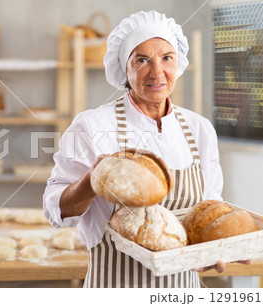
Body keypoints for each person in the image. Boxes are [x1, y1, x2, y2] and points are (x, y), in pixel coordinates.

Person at [43, 10, 237, 288]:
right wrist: (91, 182)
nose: (157, 72)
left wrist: (216, 248)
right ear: (125, 67)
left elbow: (209, 208)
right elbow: (54, 210)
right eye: (142, 59)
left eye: (166, 58)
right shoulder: (91, 125)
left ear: (178, 62)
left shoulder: (200, 129)